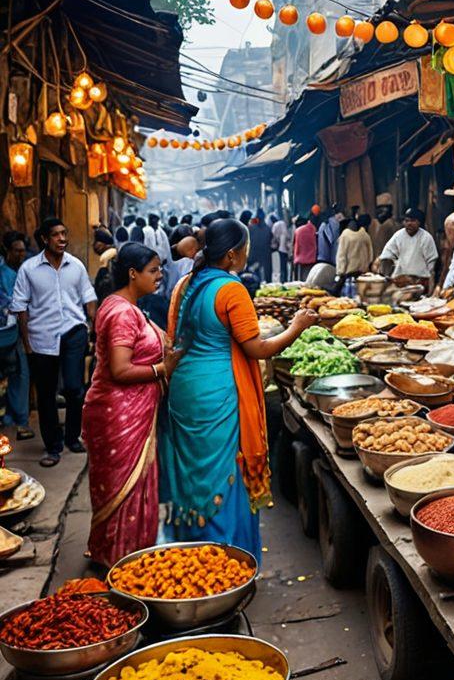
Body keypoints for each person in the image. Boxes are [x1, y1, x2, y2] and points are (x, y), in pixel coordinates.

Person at [164, 219, 318, 556]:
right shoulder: (232, 290)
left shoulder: (184, 285)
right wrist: (297, 326)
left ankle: (190, 550)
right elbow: (257, 349)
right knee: (222, 473)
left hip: (184, 390)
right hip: (219, 392)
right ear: (232, 255)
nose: (247, 255)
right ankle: (226, 556)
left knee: (193, 475)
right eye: (245, 250)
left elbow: (173, 337)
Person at [82, 244, 178, 567]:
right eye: (153, 270)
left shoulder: (122, 305)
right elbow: (120, 369)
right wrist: (161, 369)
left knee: (131, 488)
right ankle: (121, 561)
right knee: (123, 490)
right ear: (133, 274)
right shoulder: (123, 312)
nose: (160, 275)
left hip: (126, 412)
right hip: (119, 415)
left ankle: (126, 555)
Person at [12, 218, 97, 467]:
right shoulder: (28, 269)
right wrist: (27, 345)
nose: (62, 239)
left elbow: (88, 298)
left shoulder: (76, 266)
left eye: (64, 233)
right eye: (56, 235)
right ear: (44, 239)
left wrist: (93, 327)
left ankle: (72, 436)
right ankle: (53, 446)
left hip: (73, 331)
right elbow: (20, 308)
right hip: (42, 337)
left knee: (74, 388)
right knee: (47, 394)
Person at [0, 233, 31, 440]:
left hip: (18, 332)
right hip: (8, 333)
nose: (21, 254)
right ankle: (16, 421)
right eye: (17, 250)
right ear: (8, 251)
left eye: (22, 250)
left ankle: (17, 420)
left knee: (20, 376)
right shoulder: (4, 274)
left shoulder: (22, 271)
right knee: (16, 376)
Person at [378, 208, 438, 290]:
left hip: (420, 281)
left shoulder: (426, 238)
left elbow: (431, 261)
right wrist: (379, 263)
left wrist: (424, 280)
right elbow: (387, 252)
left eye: (413, 221)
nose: (409, 223)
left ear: (419, 222)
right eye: (406, 221)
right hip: (400, 279)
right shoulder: (398, 235)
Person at [336, 214, 375, 280]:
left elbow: (341, 257)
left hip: (349, 274)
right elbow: (370, 256)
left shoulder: (345, 236)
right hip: (363, 274)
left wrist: (340, 273)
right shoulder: (365, 235)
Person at [91, 228, 118, 301]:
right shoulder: (111, 256)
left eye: (96, 241)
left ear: (102, 244)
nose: (93, 245)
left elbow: (105, 288)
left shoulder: (110, 259)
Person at [247, 210, 273, 283]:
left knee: (254, 274)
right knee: (267, 274)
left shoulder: (250, 227)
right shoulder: (268, 228)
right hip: (265, 254)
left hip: (253, 255)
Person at [293, 215, 317, 282]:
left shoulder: (298, 231)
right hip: (312, 259)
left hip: (300, 260)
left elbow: (296, 246)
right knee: (309, 279)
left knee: (300, 281)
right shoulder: (313, 229)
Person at [270, 214, 292, 283]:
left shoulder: (275, 225)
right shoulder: (282, 223)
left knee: (282, 266)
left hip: (281, 248)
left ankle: (282, 280)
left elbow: (273, 237)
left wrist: (273, 245)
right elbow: (287, 235)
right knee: (285, 266)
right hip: (287, 248)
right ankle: (286, 280)